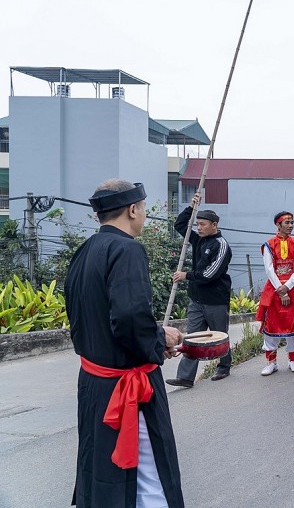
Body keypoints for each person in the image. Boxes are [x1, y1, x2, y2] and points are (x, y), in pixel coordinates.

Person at [66, 179, 185, 507]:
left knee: (98, 463)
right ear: (133, 209)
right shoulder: (127, 249)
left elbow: (86, 315)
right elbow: (131, 319)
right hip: (127, 387)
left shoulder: (85, 250)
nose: (144, 215)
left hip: (93, 385)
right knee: (147, 474)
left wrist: (154, 338)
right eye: (144, 208)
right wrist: (162, 337)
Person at [167, 193, 233, 387]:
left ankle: (224, 366)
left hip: (215, 300)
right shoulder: (198, 241)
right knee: (193, 338)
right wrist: (191, 208)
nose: (199, 228)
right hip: (196, 300)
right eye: (198, 224)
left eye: (203, 224)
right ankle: (186, 377)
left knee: (220, 334)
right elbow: (179, 225)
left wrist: (186, 275)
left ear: (214, 225)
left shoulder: (221, 246)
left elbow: (210, 274)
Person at [257, 211, 294, 376]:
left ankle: (293, 360)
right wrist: (281, 290)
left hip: (293, 289)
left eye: (292, 222)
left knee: (293, 325)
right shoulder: (269, 244)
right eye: (287, 223)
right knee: (271, 325)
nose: (291, 225)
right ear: (278, 225)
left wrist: (288, 287)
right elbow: (269, 269)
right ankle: (271, 362)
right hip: (274, 289)